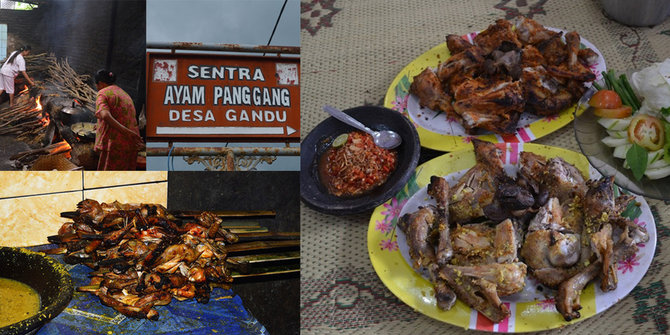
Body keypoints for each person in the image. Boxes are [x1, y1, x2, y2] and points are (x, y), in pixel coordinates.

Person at [93, 69, 143, 170]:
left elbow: (105, 115)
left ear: (101, 83)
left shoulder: (102, 93)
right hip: (132, 144)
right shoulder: (123, 93)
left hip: (115, 145)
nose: (97, 88)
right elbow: (120, 115)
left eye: (97, 85)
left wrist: (126, 132)